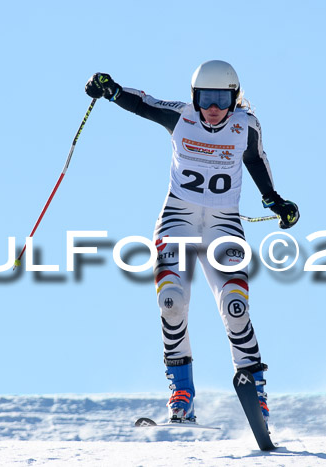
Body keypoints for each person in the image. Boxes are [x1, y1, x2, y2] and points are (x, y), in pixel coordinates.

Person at [84, 60, 299, 427]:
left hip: (223, 222)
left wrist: (274, 200)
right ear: (194, 96)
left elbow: (256, 159)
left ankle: (256, 391)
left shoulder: (245, 126)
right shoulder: (182, 117)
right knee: (171, 302)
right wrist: (112, 90)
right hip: (177, 219)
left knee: (235, 306)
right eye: (204, 98)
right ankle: (181, 396)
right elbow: (144, 104)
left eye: (220, 99)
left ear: (234, 98)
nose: (212, 108)